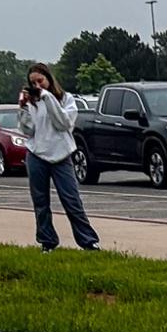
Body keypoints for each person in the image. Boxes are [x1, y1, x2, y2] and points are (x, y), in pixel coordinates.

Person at [14, 63, 100, 253]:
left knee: (71, 199)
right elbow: (28, 130)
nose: (37, 85)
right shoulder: (33, 103)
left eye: (40, 81)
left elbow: (63, 123)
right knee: (41, 201)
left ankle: (88, 241)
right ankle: (47, 241)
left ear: (49, 79)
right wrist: (22, 109)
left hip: (61, 155)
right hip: (37, 154)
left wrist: (47, 97)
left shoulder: (66, 99)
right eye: (33, 82)